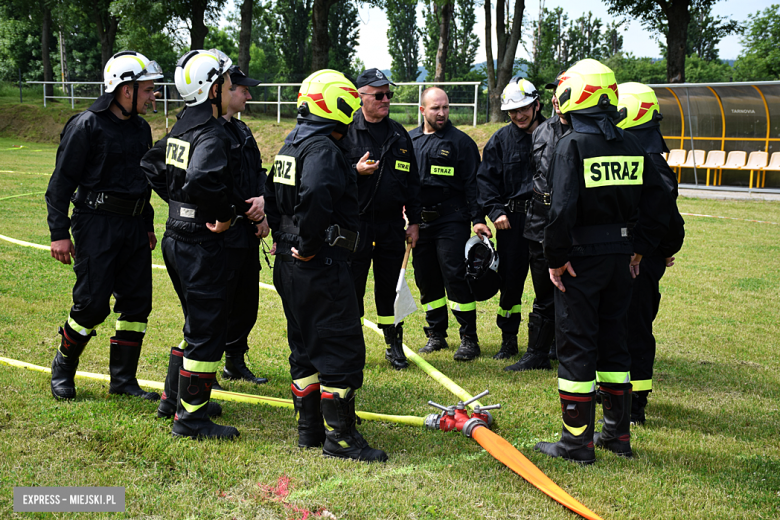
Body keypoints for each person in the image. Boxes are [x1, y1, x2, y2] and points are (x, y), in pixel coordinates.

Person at [534, 59, 672, 464]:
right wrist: (639, 248)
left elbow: (560, 211)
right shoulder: (632, 144)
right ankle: (617, 435)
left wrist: (555, 259)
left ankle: (576, 443)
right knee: (615, 345)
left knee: (576, 346)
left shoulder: (571, 143)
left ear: (574, 94)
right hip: (621, 259)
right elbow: (660, 201)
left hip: (579, 259)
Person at [265, 69, 387, 462]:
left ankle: (309, 429)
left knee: (303, 344)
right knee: (339, 347)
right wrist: (312, 244)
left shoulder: (291, 143)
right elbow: (316, 193)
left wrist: (293, 241)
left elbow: (273, 193)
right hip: (318, 262)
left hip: (288, 260)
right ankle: (342, 439)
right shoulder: (322, 149)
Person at [46, 51, 163, 402]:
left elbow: (142, 182)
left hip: (134, 228)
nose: (153, 95)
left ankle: (124, 381)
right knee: (92, 304)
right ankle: (63, 368)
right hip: (96, 225)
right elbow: (60, 184)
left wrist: (146, 224)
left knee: (137, 304)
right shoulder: (86, 125)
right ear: (125, 90)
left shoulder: (142, 128)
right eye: (147, 90)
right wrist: (58, 234)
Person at [142, 48, 238, 440]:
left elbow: (151, 164)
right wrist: (222, 213)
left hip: (176, 238)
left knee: (196, 322)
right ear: (212, 90)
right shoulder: (212, 133)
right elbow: (201, 179)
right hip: (200, 244)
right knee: (206, 328)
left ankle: (174, 398)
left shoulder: (182, 127)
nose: (233, 89)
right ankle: (192, 418)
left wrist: (178, 203)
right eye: (229, 84)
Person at [343, 68, 422, 370]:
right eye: (379, 95)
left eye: (389, 94)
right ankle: (352, 347)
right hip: (357, 224)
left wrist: (414, 221)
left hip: (391, 225)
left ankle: (394, 344)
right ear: (361, 97)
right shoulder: (347, 131)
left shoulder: (399, 134)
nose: (386, 99)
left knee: (390, 289)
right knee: (352, 287)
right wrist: (355, 172)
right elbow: (331, 176)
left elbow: (413, 183)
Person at [616, 82, 685, 425]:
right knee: (621, 327)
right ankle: (618, 395)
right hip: (636, 256)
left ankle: (636, 404)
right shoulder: (644, 153)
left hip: (639, 261)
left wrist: (654, 251)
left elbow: (665, 218)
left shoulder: (649, 161)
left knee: (635, 330)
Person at [409, 87, 485, 361]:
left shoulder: (460, 143)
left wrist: (478, 219)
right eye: (435, 108)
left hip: (451, 219)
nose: (441, 113)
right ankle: (436, 335)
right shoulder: (410, 141)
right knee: (426, 278)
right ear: (422, 110)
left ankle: (469, 339)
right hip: (419, 222)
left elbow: (473, 186)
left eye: (445, 107)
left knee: (454, 275)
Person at [475, 78, 544, 362]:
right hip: (511, 221)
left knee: (549, 283)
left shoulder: (557, 134)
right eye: (513, 111)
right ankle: (508, 339)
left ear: (537, 104)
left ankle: (547, 342)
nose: (518, 115)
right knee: (510, 283)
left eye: (524, 108)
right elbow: (485, 180)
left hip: (545, 218)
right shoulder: (501, 140)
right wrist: (495, 211)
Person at [214, 65, 271, 387]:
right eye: (243, 89)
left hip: (246, 233)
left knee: (247, 303)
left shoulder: (243, 130)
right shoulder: (207, 131)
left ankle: (234, 361)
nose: (248, 94)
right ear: (224, 91)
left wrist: (263, 204)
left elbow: (257, 173)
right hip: (222, 233)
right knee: (217, 303)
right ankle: (205, 365)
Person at [512, 70, 571, 371]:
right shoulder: (542, 130)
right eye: (555, 92)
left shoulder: (588, 133)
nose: (557, 98)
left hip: (572, 223)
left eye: (565, 91)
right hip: (538, 222)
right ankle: (537, 353)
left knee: (572, 292)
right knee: (542, 292)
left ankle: (568, 351)